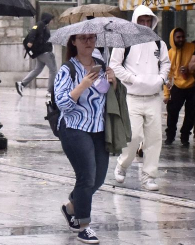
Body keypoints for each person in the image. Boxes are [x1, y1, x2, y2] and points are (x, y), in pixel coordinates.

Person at [54, 33, 116, 244]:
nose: (88, 42)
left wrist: (113, 82)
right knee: (86, 176)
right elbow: (62, 103)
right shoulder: (67, 69)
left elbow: (108, 96)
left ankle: (71, 207)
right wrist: (81, 86)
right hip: (74, 127)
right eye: (83, 39)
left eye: (91, 38)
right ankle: (84, 226)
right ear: (74, 42)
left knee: (98, 178)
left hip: (98, 128)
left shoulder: (101, 65)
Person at [109, 5, 170, 191]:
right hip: (132, 97)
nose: (145, 24)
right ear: (135, 21)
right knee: (133, 136)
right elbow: (115, 65)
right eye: (141, 20)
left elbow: (166, 64)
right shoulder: (123, 41)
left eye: (148, 21)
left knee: (154, 138)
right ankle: (122, 164)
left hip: (153, 97)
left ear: (153, 22)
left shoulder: (159, 43)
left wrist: (160, 79)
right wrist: (132, 79)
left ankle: (149, 176)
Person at [163, 28, 195, 147]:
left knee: (191, 114)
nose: (181, 39)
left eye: (183, 36)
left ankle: (185, 136)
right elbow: (167, 74)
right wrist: (166, 94)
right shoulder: (170, 53)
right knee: (172, 112)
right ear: (173, 39)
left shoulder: (192, 48)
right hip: (177, 86)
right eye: (178, 37)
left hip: (192, 86)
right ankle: (170, 136)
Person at [16, 13, 57, 97]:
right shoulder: (40, 24)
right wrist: (30, 41)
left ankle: (22, 84)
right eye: (51, 19)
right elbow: (32, 32)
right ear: (47, 18)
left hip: (41, 53)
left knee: (37, 70)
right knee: (53, 70)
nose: (52, 21)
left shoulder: (44, 26)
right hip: (45, 53)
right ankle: (50, 91)